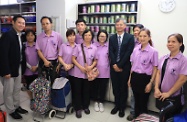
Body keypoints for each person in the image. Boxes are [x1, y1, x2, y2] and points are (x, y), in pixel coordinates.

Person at [0, 15, 28, 120]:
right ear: (13, 23)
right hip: (9, 69)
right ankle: (11, 110)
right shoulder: (7, 35)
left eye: (23, 23)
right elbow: (2, 54)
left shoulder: (20, 35)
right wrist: (6, 71)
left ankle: (17, 106)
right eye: (19, 22)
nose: (21, 25)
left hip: (18, 66)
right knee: (8, 91)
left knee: (16, 89)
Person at [154, 33, 187, 120]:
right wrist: (156, 88)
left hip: (174, 98)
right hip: (161, 95)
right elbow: (158, 73)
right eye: (168, 41)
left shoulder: (184, 60)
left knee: (171, 119)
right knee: (162, 117)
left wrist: (169, 93)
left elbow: (182, 79)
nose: (170, 44)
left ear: (180, 44)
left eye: (173, 42)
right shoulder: (163, 58)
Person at [129, 28, 158, 118]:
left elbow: (155, 68)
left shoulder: (153, 51)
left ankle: (144, 119)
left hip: (145, 79)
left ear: (149, 37)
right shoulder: (135, 49)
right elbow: (133, 65)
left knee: (143, 102)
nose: (142, 38)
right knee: (136, 101)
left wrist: (150, 83)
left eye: (145, 36)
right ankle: (136, 118)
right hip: (135, 77)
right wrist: (130, 79)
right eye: (140, 36)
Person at [109, 18, 134, 117]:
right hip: (113, 67)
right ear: (115, 26)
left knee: (123, 88)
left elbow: (129, 52)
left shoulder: (130, 37)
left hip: (125, 67)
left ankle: (122, 108)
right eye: (117, 24)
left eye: (121, 24)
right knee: (115, 88)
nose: (119, 26)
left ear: (125, 26)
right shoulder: (112, 38)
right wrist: (115, 64)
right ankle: (116, 105)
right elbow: (111, 51)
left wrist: (119, 65)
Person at [72, 29, 97, 118]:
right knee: (77, 91)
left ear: (92, 37)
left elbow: (95, 60)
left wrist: (91, 67)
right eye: (85, 35)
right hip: (78, 73)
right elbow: (73, 59)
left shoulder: (94, 48)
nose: (87, 37)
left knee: (87, 91)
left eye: (89, 35)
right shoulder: (78, 47)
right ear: (83, 37)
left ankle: (86, 106)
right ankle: (78, 108)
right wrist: (81, 67)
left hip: (88, 74)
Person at [35, 16, 63, 84]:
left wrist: (59, 64)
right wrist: (45, 61)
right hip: (43, 62)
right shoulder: (39, 37)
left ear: (51, 24)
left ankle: (53, 95)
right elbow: (38, 50)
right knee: (43, 84)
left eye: (47, 23)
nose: (45, 26)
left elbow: (60, 50)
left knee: (55, 83)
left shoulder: (58, 36)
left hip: (54, 63)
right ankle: (45, 95)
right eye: (43, 24)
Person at [127, 24, 144, 121]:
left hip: (144, 74)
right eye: (134, 30)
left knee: (142, 96)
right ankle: (133, 112)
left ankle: (141, 114)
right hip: (133, 71)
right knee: (133, 95)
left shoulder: (149, 44)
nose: (136, 32)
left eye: (138, 30)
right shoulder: (133, 43)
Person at [92, 30, 110, 112]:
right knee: (95, 87)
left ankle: (101, 102)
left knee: (103, 87)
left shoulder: (109, 46)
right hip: (95, 70)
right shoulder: (94, 46)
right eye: (100, 36)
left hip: (105, 70)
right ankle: (96, 101)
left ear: (106, 37)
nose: (102, 38)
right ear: (97, 37)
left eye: (104, 36)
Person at [58, 29, 76, 104]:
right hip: (64, 70)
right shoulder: (63, 46)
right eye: (70, 36)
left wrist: (72, 65)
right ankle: (65, 103)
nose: (72, 37)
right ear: (67, 37)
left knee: (74, 88)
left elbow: (78, 59)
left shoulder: (77, 46)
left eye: (73, 35)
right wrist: (65, 65)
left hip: (74, 70)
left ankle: (72, 103)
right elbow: (59, 57)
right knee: (64, 88)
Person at [22, 29, 39, 100]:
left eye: (31, 35)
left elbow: (40, 57)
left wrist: (37, 66)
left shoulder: (37, 45)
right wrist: (30, 67)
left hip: (37, 70)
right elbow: (22, 58)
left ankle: (37, 100)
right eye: (28, 35)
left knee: (37, 86)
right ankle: (32, 99)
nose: (30, 37)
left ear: (34, 36)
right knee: (29, 86)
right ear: (25, 37)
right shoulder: (23, 46)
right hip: (27, 70)